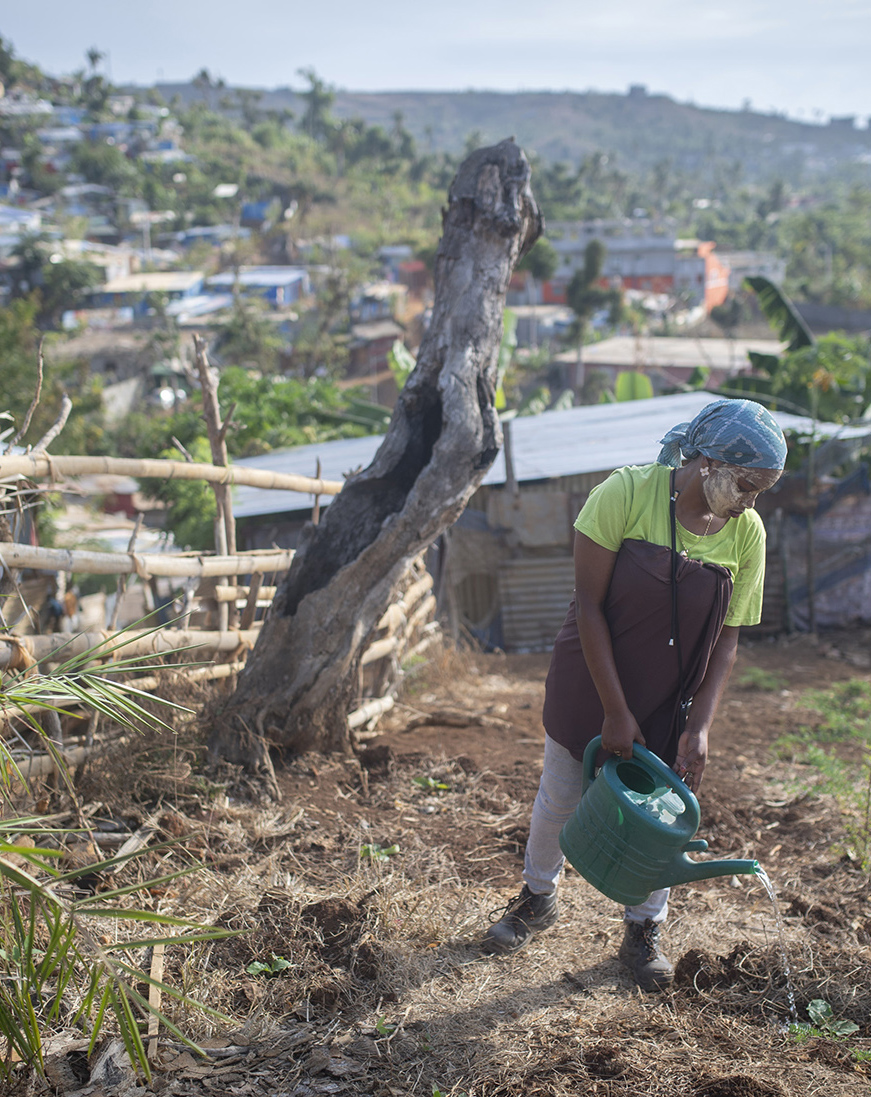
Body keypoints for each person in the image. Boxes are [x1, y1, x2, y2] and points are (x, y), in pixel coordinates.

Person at [482, 398, 787, 991]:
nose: (751, 503)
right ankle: (537, 898)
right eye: (746, 486)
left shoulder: (747, 533)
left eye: (761, 491)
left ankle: (643, 930)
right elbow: (589, 607)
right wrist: (615, 711)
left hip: (672, 696)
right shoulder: (625, 493)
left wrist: (700, 726)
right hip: (592, 679)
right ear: (707, 463)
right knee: (561, 794)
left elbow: (727, 640)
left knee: (663, 818)